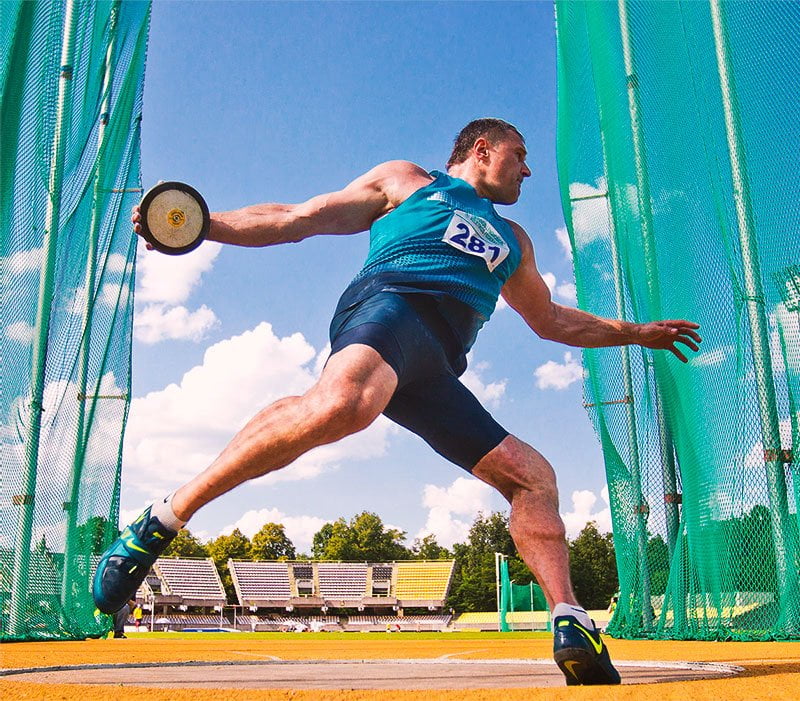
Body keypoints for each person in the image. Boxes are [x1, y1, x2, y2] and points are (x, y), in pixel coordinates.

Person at [93, 118, 701, 684]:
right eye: (521, 156)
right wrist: (201, 224)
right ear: (482, 149)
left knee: (534, 478)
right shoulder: (408, 180)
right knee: (344, 406)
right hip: (391, 306)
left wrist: (638, 333)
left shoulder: (514, 240)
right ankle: (162, 520)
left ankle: (571, 620)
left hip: (435, 366)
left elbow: (551, 321)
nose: (528, 171)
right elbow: (298, 216)